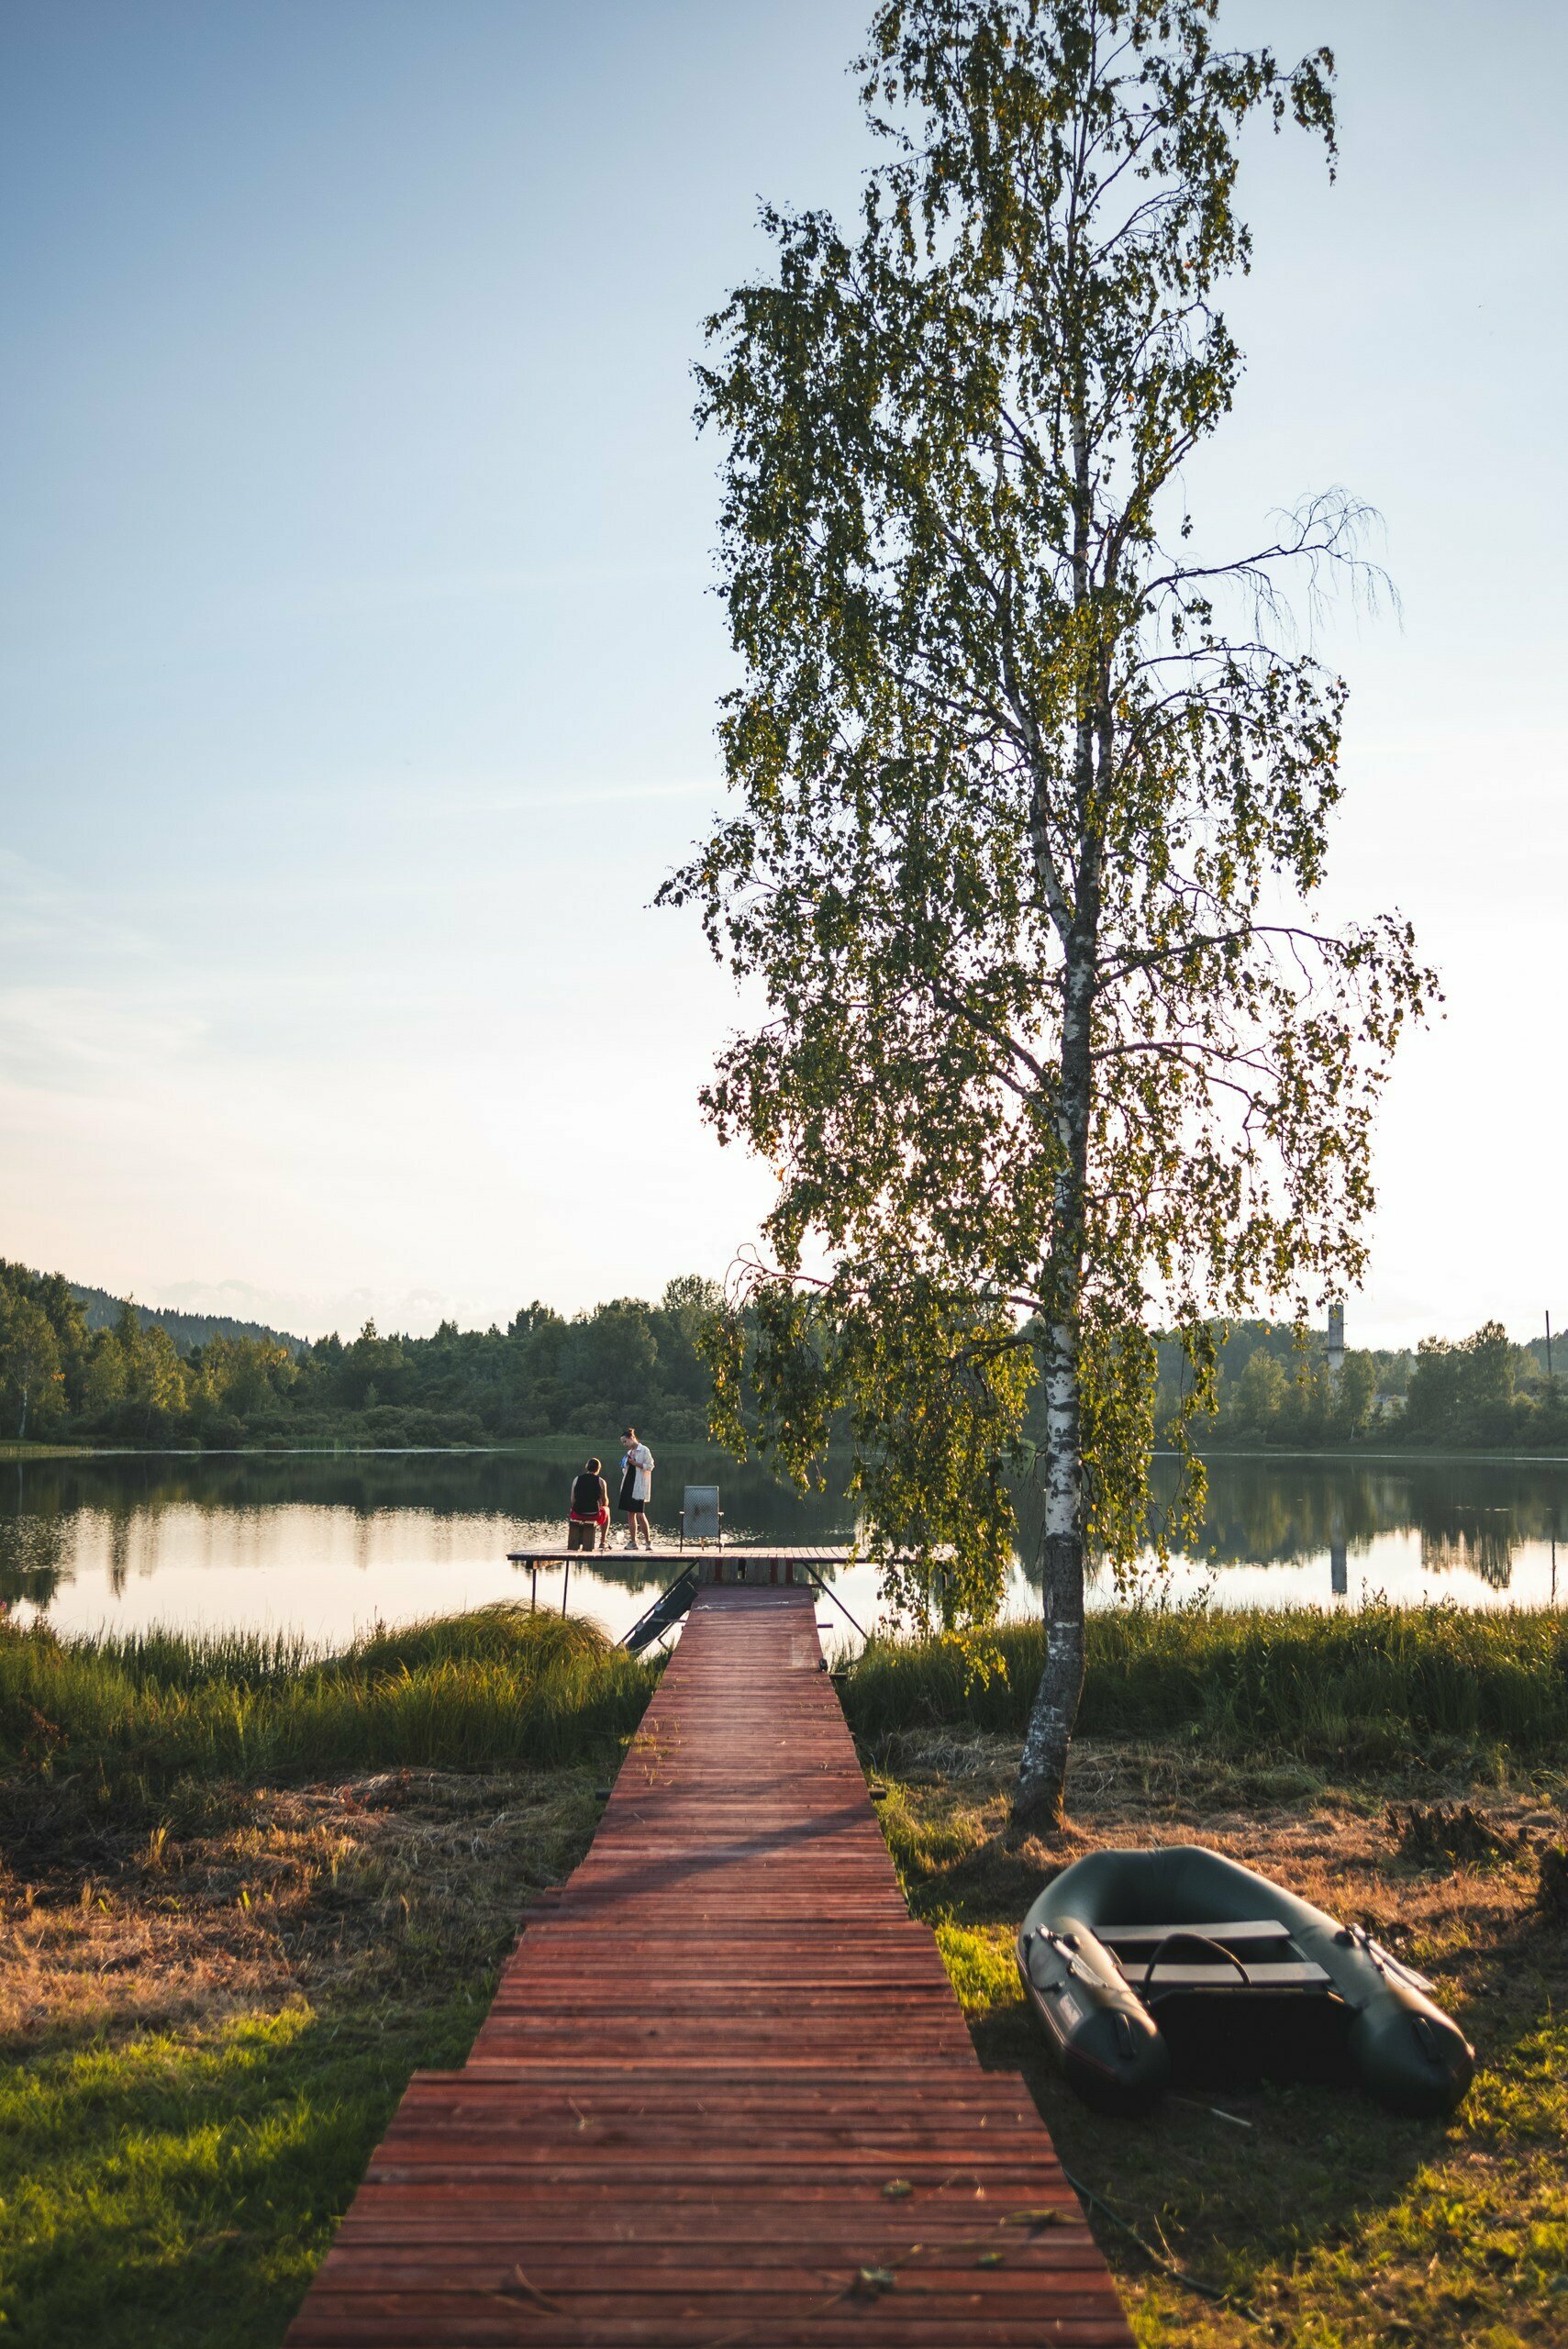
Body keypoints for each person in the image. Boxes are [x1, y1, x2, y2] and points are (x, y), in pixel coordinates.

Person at [618, 1426, 654, 1549]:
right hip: (628, 1484)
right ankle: (633, 1542)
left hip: (639, 1486)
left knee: (640, 1514)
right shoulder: (629, 1453)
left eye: (625, 1441)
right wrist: (625, 1465)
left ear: (631, 1438)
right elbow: (626, 1470)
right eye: (623, 1442)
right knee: (630, 1514)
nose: (624, 1444)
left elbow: (650, 1466)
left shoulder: (644, 1450)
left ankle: (648, 1542)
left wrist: (636, 1464)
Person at [566, 1456, 610, 1552]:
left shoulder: (576, 1479)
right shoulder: (601, 1481)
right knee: (607, 1510)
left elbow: (572, 1500)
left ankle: (575, 1540)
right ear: (598, 1469)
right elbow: (605, 1502)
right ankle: (603, 1542)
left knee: (572, 1509)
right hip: (593, 1515)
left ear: (587, 1467)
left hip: (577, 1514)